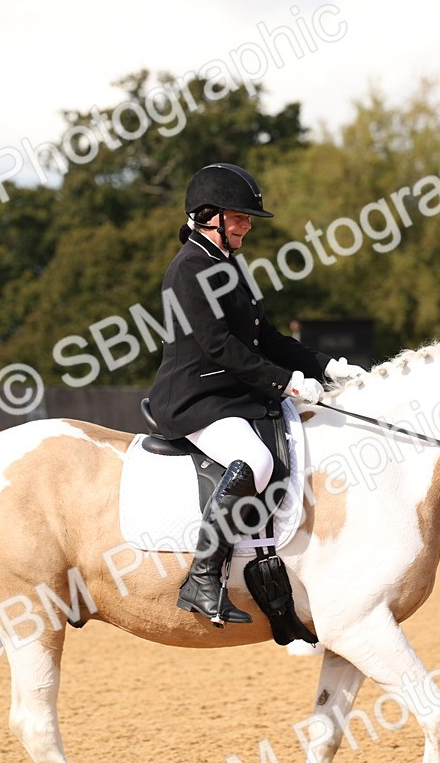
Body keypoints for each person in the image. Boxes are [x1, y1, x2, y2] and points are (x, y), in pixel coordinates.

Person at [147, 163, 365, 625]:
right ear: (209, 216)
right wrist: (285, 382)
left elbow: (266, 337)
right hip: (197, 399)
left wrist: (325, 366)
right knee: (257, 461)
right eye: (239, 217)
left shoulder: (228, 265)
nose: (247, 225)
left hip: (235, 393)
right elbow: (218, 347)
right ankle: (203, 578)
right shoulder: (188, 269)